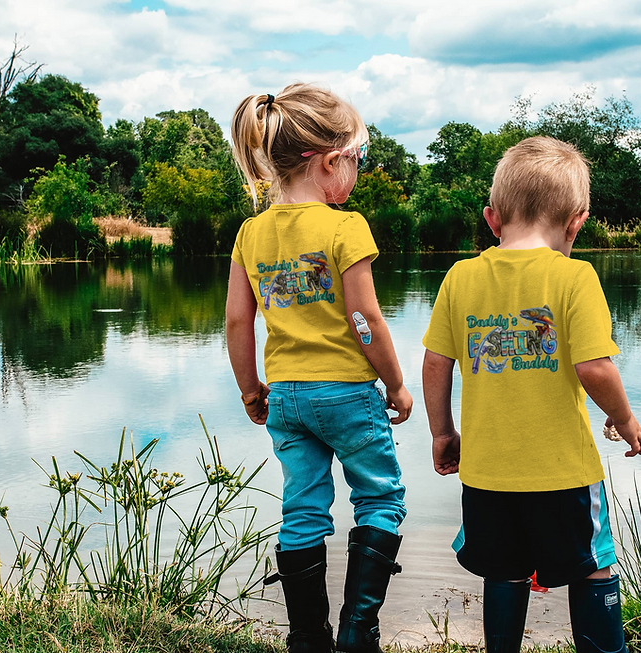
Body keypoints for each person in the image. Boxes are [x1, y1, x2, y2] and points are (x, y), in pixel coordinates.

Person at [421, 136, 641, 653]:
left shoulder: (460, 277)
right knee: (593, 567)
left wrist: (442, 433)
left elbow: (437, 363)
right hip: (563, 473)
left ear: (492, 218)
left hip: (488, 476)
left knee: (503, 572)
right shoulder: (574, 276)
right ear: (577, 222)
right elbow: (594, 367)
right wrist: (627, 420)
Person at [225, 83, 412, 653]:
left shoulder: (250, 233)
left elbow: (237, 323)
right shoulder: (344, 226)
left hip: (285, 396)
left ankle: (308, 636)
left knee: (303, 508)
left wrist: (250, 389)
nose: (356, 171)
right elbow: (366, 320)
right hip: (348, 393)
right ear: (330, 162)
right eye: (356, 159)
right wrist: (397, 383)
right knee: (379, 498)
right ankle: (359, 631)